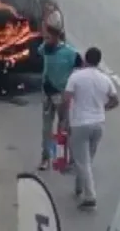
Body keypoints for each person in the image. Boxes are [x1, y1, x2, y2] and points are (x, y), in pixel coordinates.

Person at [64, 46, 119, 209]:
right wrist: (103, 108)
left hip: (80, 123)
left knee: (82, 160)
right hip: (98, 123)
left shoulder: (76, 76)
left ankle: (90, 196)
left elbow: (66, 98)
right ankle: (79, 187)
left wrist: (65, 119)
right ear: (99, 61)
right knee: (87, 159)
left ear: (85, 59)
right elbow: (115, 100)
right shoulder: (105, 79)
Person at [37, 15, 82, 171]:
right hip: (47, 94)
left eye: (48, 37)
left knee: (64, 129)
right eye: (45, 38)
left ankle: (64, 158)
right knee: (46, 129)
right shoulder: (44, 48)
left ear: (56, 37)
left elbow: (80, 68)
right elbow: (41, 53)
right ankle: (46, 158)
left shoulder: (70, 53)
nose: (46, 40)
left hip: (61, 95)